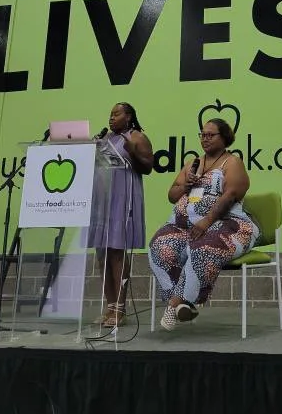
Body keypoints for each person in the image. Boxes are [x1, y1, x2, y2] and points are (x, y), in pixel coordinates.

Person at [148, 117, 258, 330]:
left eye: (210, 135)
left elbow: (231, 195)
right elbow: (172, 194)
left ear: (224, 137)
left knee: (203, 247)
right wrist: (185, 186)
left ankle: (174, 305)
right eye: (202, 135)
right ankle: (182, 304)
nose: (204, 139)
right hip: (186, 227)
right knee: (159, 247)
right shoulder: (193, 163)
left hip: (228, 226)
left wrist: (206, 222)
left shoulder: (232, 162)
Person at [88, 102, 153, 328]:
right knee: (102, 253)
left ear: (129, 116)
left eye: (116, 114)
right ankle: (109, 306)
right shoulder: (105, 139)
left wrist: (134, 152)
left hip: (123, 198)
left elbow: (148, 167)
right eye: (110, 114)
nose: (111, 118)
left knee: (116, 252)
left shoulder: (137, 137)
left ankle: (120, 309)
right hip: (103, 199)